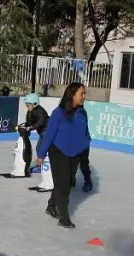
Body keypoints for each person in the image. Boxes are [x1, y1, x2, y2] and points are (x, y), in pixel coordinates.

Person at [35, 82, 91, 229]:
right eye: (81, 94)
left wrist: (85, 148)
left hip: (76, 153)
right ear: (72, 95)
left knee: (65, 182)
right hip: (58, 152)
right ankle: (64, 218)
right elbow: (49, 135)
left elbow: (85, 133)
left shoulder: (82, 113)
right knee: (64, 186)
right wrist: (41, 154)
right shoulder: (58, 113)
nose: (84, 97)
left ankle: (51, 206)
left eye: (84, 94)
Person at [21, 93, 48, 175]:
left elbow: (40, 122)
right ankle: (42, 166)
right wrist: (24, 125)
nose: (27, 107)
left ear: (35, 104)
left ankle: (42, 167)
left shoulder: (41, 111)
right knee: (39, 148)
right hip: (43, 133)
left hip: (46, 132)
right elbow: (29, 121)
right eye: (26, 105)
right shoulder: (31, 111)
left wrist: (30, 128)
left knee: (40, 149)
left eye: (28, 105)